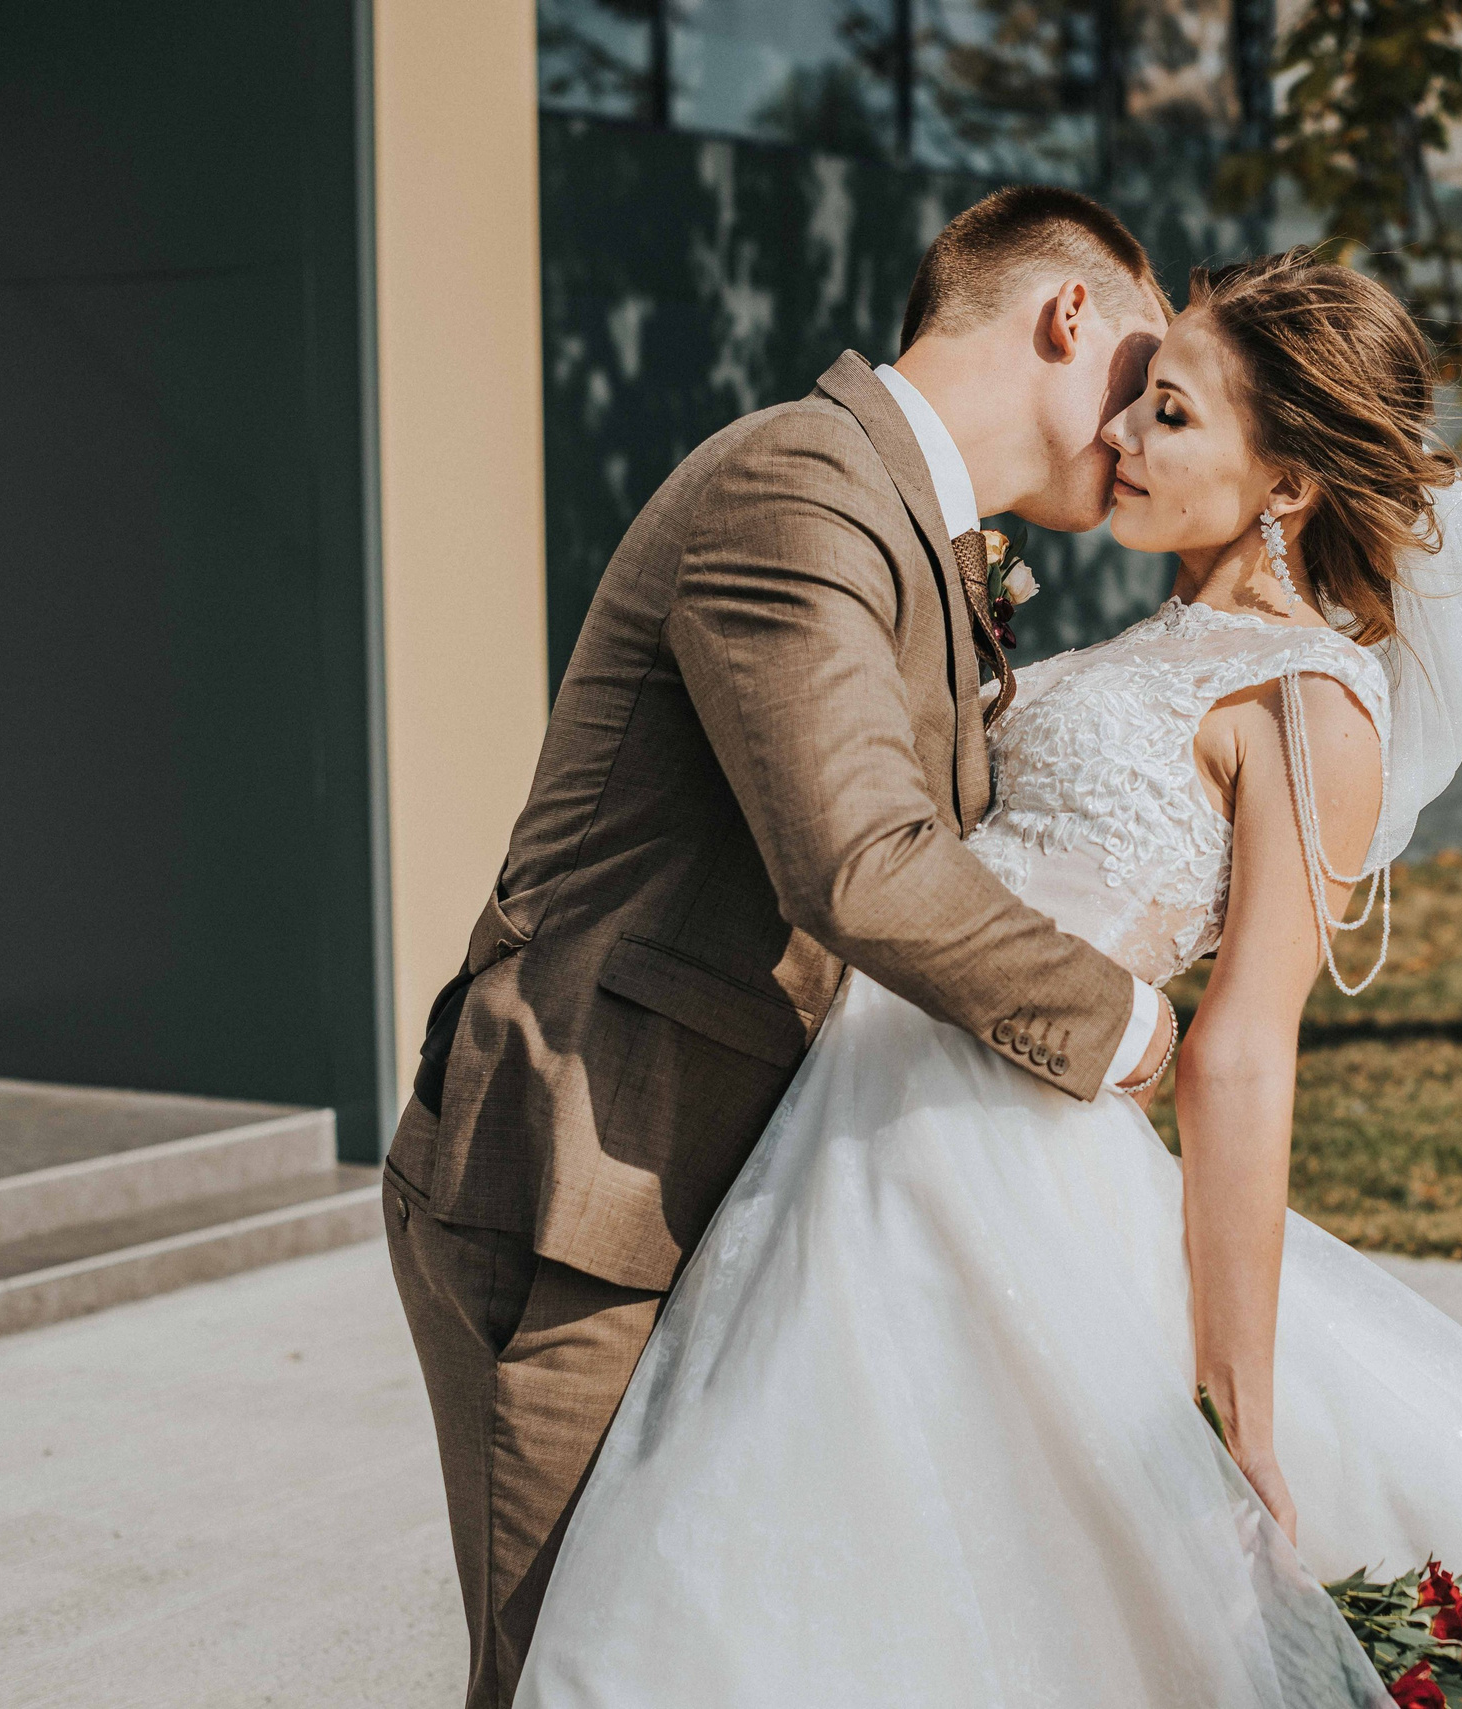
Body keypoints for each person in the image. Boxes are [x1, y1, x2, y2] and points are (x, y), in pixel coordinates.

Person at [511, 252, 1462, 1707]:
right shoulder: (1152, 642)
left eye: (1168, 414)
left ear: (1285, 480)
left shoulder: (1310, 702)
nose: (1118, 438)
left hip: (996, 1162)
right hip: (855, 1131)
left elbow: (1242, 1051)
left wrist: (1239, 1401)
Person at [382, 186, 1182, 1708]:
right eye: (1148, 379)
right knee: (563, 1677)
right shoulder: (797, 482)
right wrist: (1126, 1024)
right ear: (1070, 317)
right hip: (576, 1198)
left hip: (726, 1197)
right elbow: (862, 866)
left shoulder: (905, 520)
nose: (1145, 429)